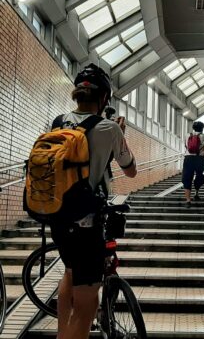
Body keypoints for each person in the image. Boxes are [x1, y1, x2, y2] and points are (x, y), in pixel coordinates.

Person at [49, 63, 137, 339]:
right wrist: (119, 134)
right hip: (87, 223)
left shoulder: (58, 121)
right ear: (103, 99)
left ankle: (63, 332)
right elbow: (131, 170)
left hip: (58, 216)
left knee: (70, 273)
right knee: (88, 304)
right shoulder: (110, 128)